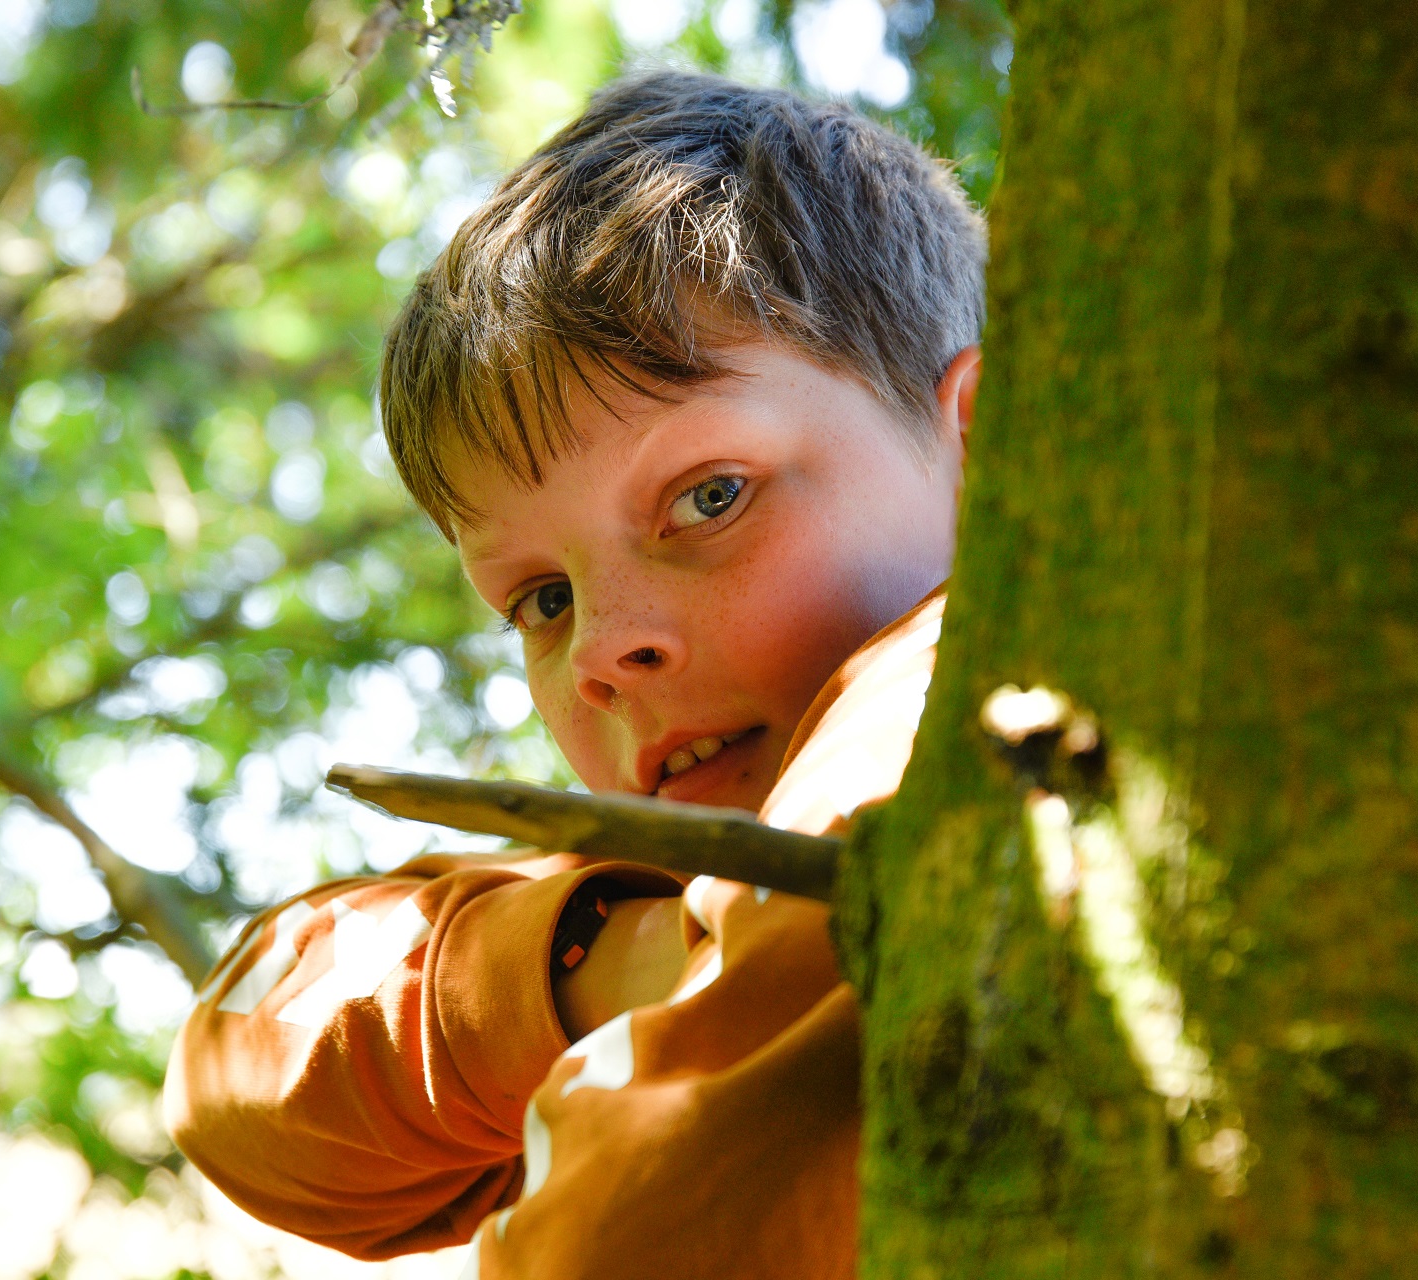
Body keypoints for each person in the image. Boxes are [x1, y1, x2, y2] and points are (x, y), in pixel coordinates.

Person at [163, 70, 985, 1279]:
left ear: (984, 439)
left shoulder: (929, 692)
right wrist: (619, 957)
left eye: (709, 497)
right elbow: (240, 1062)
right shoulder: (669, 879)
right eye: (541, 599)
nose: (602, 649)